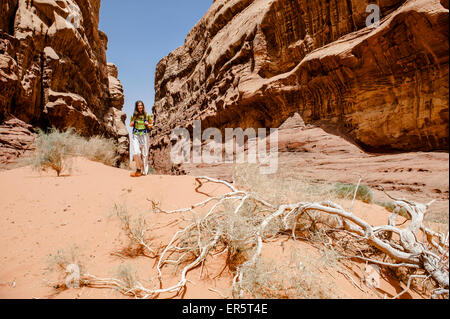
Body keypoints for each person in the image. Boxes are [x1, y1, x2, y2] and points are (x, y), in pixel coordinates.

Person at [129, 100, 153, 177]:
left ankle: (145, 172)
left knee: (145, 154)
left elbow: (151, 124)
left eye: (141, 105)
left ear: (143, 106)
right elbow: (130, 124)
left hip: (144, 134)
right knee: (136, 152)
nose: (140, 107)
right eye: (139, 105)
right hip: (136, 134)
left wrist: (148, 124)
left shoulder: (147, 115)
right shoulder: (134, 115)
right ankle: (139, 168)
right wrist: (132, 123)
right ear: (136, 107)